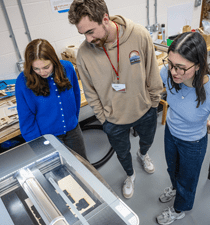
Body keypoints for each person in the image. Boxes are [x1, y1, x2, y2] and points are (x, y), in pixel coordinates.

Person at [68, 0, 163, 199]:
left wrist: (154, 103)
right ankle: (130, 174)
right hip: (113, 120)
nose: (88, 38)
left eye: (91, 31)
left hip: (145, 109)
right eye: (83, 33)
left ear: (105, 19)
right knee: (122, 152)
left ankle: (143, 155)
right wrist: (104, 118)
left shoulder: (138, 34)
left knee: (147, 140)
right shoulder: (84, 53)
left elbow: (152, 72)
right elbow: (90, 91)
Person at [156, 32, 210, 224]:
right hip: (170, 132)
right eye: (171, 64)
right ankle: (174, 188)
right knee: (172, 168)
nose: (174, 72)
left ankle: (180, 208)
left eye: (181, 68)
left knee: (187, 179)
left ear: (198, 65)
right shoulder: (166, 73)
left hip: (193, 143)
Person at [15, 39, 88, 160]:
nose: (42, 72)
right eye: (36, 69)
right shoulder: (23, 81)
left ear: (53, 60)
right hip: (47, 137)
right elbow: (26, 119)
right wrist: (39, 146)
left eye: (46, 67)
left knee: (84, 163)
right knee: (62, 171)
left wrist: (73, 119)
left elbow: (75, 95)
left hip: (73, 130)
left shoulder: (68, 68)